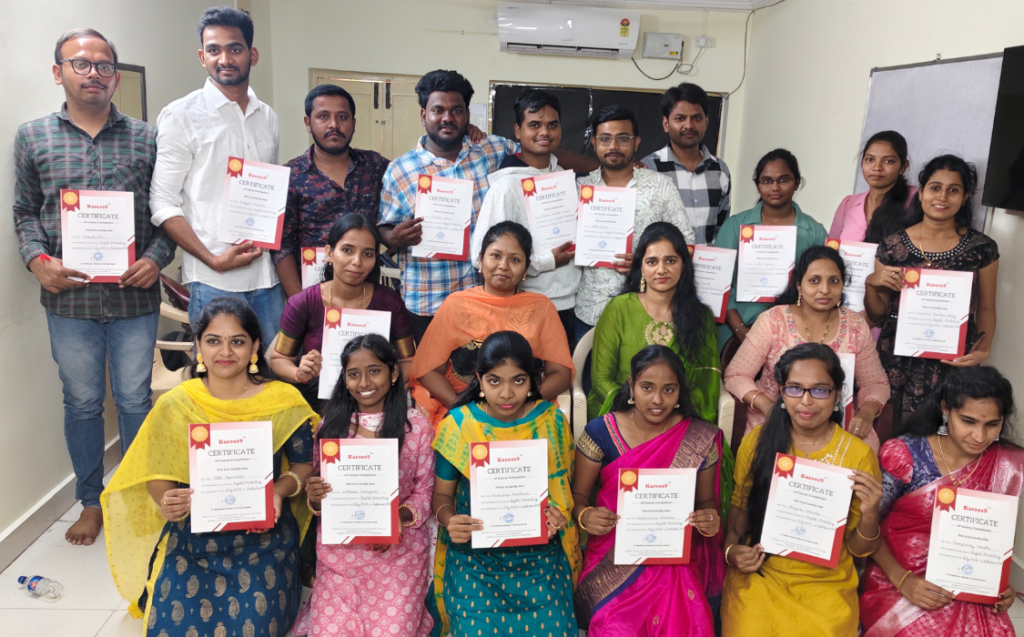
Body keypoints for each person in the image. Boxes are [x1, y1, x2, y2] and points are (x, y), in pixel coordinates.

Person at [13, 28, 176, 546]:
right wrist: (37, 260)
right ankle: (90, 501)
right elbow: (24, 212)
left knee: (134, 400)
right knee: (82, 402)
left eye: (105, 66)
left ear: (116, 77)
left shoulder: (149, 138)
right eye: (80, 64)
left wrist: (156, 259)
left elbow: (167, 214)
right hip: (69, 300)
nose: (94, 74)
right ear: (57, 71)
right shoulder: (33, 137)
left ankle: (138, 497)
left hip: (134, 296)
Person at [101, 297, 317, 637]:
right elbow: (157, 472)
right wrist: (167, 501)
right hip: (194, 535)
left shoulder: (283, 400)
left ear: (255, 346)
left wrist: (278, 491)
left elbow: (305, 463)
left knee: (252, 628)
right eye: (214, 340)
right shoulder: (176, 404)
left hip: (264, 537)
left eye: (238, 341)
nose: (225, 351)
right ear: (199, 345)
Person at [721, 344, 883, 636]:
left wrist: (870, 513)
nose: (806, 401)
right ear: (782, 392)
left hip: (825, 584)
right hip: (761, 574)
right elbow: (739, 508)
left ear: (837, 393)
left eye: (819, 390)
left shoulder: (858, 455)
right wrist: (732, 552)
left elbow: (860, 550)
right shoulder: (758, 441)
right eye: (795, 389)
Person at [431, 331, 580, 636]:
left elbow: (563, 492)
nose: (507, 393)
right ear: (479, 380)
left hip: (539, 557)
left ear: (533, 381)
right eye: (495, 381)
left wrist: (557, 516)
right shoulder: (458, 425)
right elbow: (442, 496)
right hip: (475, 559)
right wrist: (449, 519)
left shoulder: (551, 421)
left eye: (518, 380)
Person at [149, 7, 283, 341]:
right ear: (202, 56)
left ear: (252, 54)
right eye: (214, 50)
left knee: (274, 368)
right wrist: (213, 259)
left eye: (234, 48)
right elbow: (162, 202)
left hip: (268, 279)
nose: (224, 59)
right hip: (213, 281)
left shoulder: (268, 117)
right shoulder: (181, 116)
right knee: (217, 371)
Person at [573, 345, 724, 636]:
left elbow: (707, 501)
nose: (657, 399)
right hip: (614, 555)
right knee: (615, 627)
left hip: (675, 554)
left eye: (669, 389)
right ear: (631, 385)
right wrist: (586, 516)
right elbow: (578, 497)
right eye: (647, 387)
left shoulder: (699, 437)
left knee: (684, 621)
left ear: (679, 391)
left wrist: (709, 519)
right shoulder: (601, 432)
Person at [861, 366, 1022, 635]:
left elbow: (994, 540)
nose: (980, 436)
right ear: (946, 409)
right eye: (968, 421)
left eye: (992, 424)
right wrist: (903, 580)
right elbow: (866, 527)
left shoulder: (1008, 463)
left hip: (969, 584)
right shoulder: (905, 455)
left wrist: (999, 587)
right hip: (899, 577)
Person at [292, 335, 435, 637]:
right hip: (340, 557)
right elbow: (320, 498)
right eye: (354, 374)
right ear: (344, 380)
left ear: (393, 373)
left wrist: (397, 518)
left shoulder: (417, 427)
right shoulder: (330, 427)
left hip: (398, 557)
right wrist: (315, 496)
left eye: (374, 370)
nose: (364, 382)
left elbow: (424, 493)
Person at [864, 155, 998, 428]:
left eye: (953, 190)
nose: (943, 196)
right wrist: (871, 284)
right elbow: (877, 314)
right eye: (935, 187)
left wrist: (983, 350)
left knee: (947, 434)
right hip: (897, 360)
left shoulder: (982, 248)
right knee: (894, 434)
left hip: (953, 361)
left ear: (965, 197)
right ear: (922, 191)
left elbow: (986, 307)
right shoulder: (892, 246)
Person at [409, 221, 574, 428]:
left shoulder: (540, 308)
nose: (503, 265)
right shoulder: (456, 305)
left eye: (515, 259)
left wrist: (523, 406)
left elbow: (560, 374)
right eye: (496, 255)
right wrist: (464, 408)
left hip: (524, 413)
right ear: (480, 259)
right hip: (464, 412)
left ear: (526, 268)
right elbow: (428, 370)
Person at [725, 246, 889, 447]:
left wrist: (866, 413)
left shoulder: (855, 326)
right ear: (799, 286)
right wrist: (767, 406)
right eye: (814, 280)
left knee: (861, 454)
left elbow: (876, 383)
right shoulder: (774, 320)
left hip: (836, 424)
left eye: (834, 281)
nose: (825, 289)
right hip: (774, 420)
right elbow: (735, 375)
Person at [269, 215, 415, 413]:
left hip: (376, 404)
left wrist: (387, 383)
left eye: (367, 254)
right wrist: (299, 372)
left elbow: (408, 361)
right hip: (319, 406)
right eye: (347, 250)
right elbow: (279, 359)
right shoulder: (303, 303)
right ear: (329, 253)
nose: (357, 261)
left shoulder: (389, 302)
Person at [574, 106, 696, 342]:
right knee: (587, 367)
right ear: (594, 143)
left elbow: (688, 246)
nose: (613, 146)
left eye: (623, 138)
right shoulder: (580, 189)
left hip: (649, 312)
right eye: (605, 139)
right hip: (590, 311)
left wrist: (644, 262)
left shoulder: (661, 187)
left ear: (636, 142)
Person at [470, 89, 581, 343]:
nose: (545, 132)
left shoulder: (566, 181)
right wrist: (548, 261)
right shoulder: (506, 187)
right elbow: (481, 258)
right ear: (518, 131)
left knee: (561, 369)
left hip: (570, 304)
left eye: (552, 125)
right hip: (524, 305)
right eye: (534, 125)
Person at [589, 222, 720, 423]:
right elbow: (601, 379)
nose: (661, 270)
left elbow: (705, 386)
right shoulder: (619, 309)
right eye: (651, 262)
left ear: (684, 265)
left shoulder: (701, 318)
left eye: (670, 261)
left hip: (678, 418)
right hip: (623, 414)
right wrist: (640, 410)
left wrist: (667, 414)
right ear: (641, 267)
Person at [273, 84, 390, 298]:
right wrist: (299, 302)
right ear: (308, 123)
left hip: (366, 293)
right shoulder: (291, 176)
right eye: (323, 116)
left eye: (342, 117)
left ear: (353, 124)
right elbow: (282, 246)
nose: (334, 124)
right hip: (312, 292)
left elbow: (410, 182)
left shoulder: (375, 166)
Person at [715, 149, 828, 350]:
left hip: (795, 336)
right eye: (767, 181)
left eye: (783, 180)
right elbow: (720, 286)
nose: (775, 187)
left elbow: (822, 285)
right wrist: (742, 331)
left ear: (796, 183)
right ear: (757, 185)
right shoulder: (735, 226)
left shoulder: (814, 231)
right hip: (736, 332)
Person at [642, 82, 732, 246]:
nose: (689, 125)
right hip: (665, 262)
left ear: (706, 122)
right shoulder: (648, 169)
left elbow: (722, 229)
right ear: (666, 124)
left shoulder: (720, 170)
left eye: (696, 118)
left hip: (708, 262)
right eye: (680, 118)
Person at [829, 131, 916, 243]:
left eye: (888, 161)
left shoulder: (916, 202)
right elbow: (832, 247)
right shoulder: (848, 204)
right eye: (870, 160)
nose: (877, 167)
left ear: (903, 166)